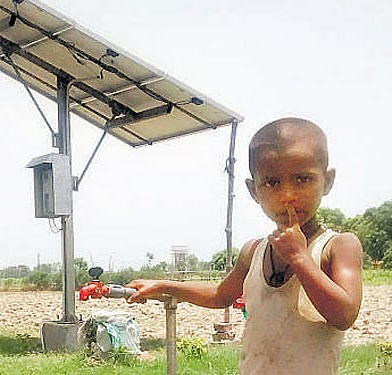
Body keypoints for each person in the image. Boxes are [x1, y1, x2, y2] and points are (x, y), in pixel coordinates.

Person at [126, 117, 363, 374]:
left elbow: (344, 315)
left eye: (302, 179)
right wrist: (163, 286)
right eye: (271, 183)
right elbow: (220, 296)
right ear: (253, 191)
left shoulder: (337, 246)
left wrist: (300, 258)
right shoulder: (254, 251)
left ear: (327, 181)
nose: (287, 196)